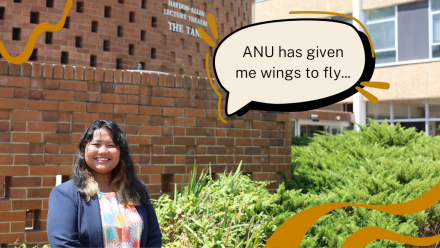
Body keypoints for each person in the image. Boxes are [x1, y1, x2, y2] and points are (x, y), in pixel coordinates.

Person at [47, 120, 162, 248]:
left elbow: (154, 239)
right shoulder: (65, 194)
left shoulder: (136, 191)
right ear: (83, 151)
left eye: (111, 145)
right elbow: (64, 244)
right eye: (96, 144)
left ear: (121, 153)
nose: (103, 151)